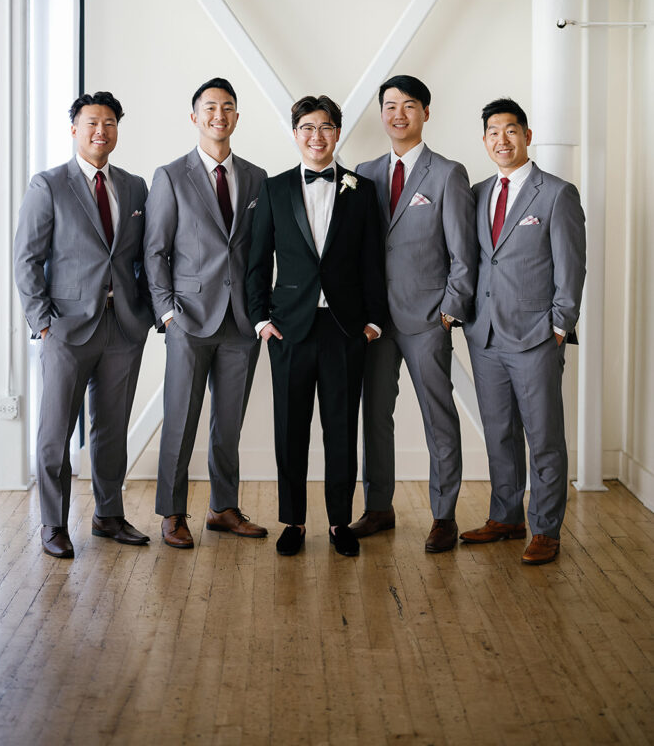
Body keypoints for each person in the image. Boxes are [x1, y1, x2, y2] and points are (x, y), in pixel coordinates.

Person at [14, 91, 154, 558]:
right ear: (74, 128)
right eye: (92, 122)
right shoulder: (48, 185)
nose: (102, 130)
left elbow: (143, 256)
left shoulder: (134, 187)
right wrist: (43, 323)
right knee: (55, 433)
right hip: (66, 330)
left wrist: (147, 312)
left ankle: (108, 515)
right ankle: (53, 524)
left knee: (112, 430)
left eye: (110, 122)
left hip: (123, 328)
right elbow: (27, 260)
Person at [246, 95, 386, 558]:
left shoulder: (361, 190)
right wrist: (262, 320)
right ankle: (293, 521)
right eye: (307, 127)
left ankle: (339, 522)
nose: (316, 136)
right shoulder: (274, 189)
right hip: (289, 329)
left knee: (342, 429)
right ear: (295, 133)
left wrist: (371, 322)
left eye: (325, 127)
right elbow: (257, 260)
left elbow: (373, 260)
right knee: (290, 429)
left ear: (337, 133)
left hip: (345, 328)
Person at [350, 75, 477, 552]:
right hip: (376, 322)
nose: (397, 114)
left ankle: (443, 515)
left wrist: (448, 313)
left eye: (408, 105)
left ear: (425, 112)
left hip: (427, 319)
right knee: (375, 415)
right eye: (389, 106)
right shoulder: (363, 171)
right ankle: (379, 507)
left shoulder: (447, 174)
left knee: (437, 416)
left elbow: (464, 256)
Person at [461, 98, 586, 564]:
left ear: (527, 136)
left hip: (536, 336)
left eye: (511, 130)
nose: (502, 140)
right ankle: (507, 515)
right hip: (486, 336)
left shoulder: (556, 193)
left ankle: (547, 528)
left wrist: (558, 326)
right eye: (493, 132)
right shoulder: (476, 193)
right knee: (499, 432)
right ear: (486, 140)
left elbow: (572, 268)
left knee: (544, 436)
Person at [144, 78, 267, 548]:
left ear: (237, 117)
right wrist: (167, 313)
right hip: (189, 319)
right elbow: (155, 251)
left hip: (240, 323)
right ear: (194, 117)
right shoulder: (171, 176)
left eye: (228, 107)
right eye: (210, 107)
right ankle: (173, 513)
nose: (220, 115)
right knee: (181, 418)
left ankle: (223, 507)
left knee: (228, 422)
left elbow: (260, 252)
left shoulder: (256, 177)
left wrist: (260, 311)